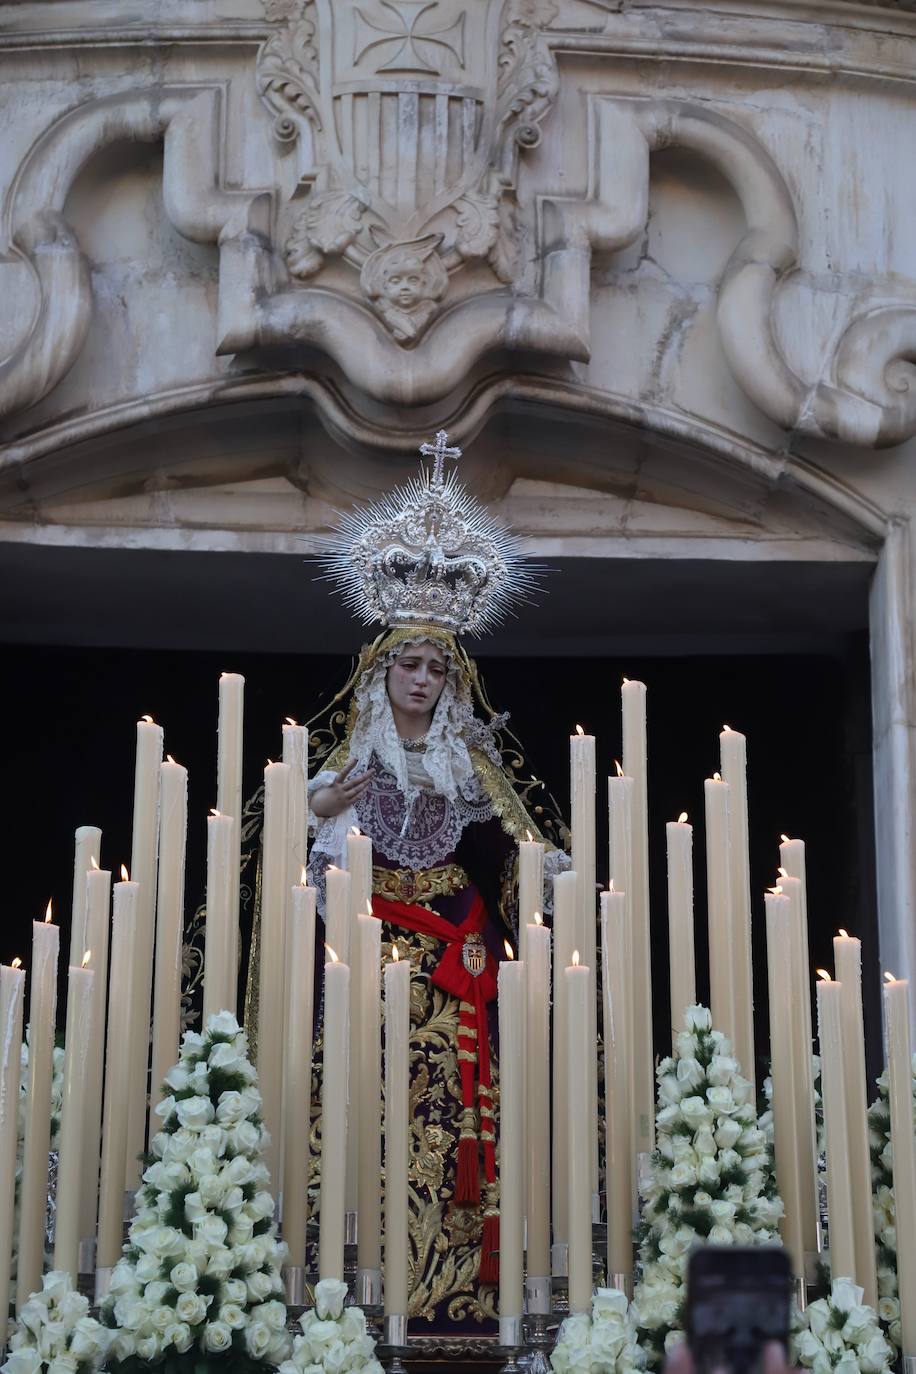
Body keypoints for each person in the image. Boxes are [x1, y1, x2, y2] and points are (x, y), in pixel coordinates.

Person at [303, 432, 567, 1328]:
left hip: (458, 947)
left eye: (435, 668)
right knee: (372, 1098)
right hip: (375, 946)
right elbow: (312, 866)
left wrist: (550, 877)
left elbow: (527, 845)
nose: (420, 678)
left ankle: (464, 1272)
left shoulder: (470, 759)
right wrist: (319, 813)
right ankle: (364, 1274)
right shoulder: (347, 764)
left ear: (452, 681)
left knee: (463, 1102)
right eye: (407, 664)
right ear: (382, 672)